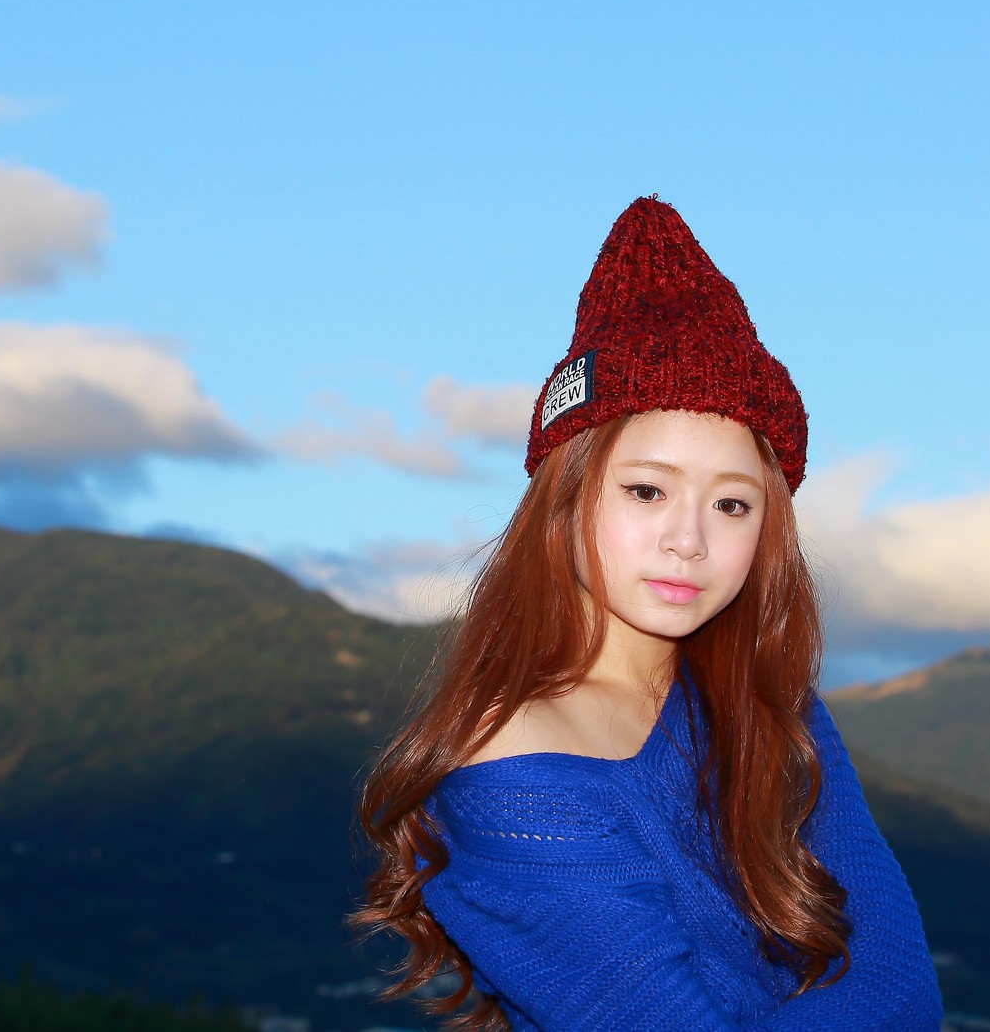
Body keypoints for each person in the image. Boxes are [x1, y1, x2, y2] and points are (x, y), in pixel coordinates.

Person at [352, 197, 943, 1031]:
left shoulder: (768, 703)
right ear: (566, 498)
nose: (689, 540)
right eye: (647, 489)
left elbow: (895, 980)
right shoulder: (514, 773)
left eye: (733, 505)